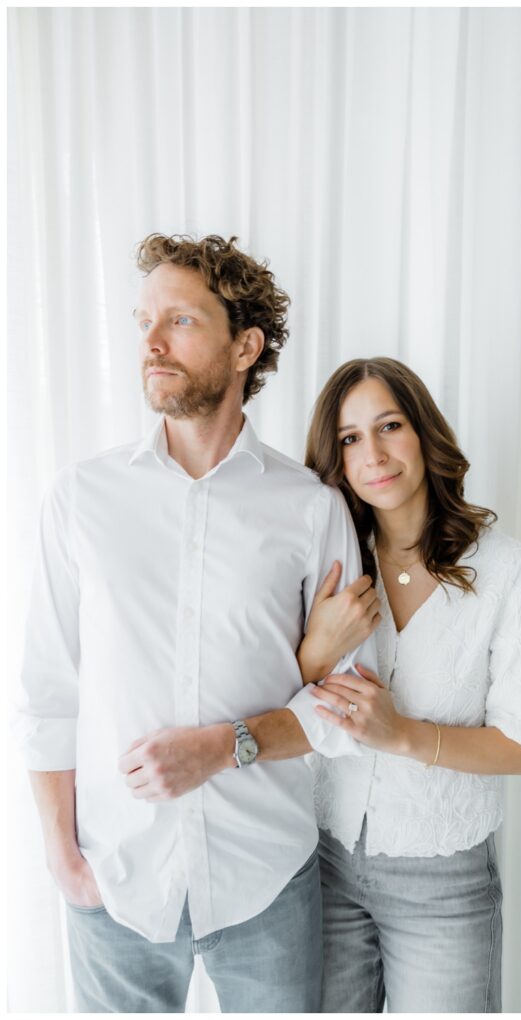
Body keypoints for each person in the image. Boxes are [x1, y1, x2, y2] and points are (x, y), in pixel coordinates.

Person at [14, 234, 377, 1012]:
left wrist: (223, 748)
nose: (150, 341)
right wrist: (61, 860)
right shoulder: (80, 500)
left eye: (179, 320)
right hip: (113, 883)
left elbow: (351, 703)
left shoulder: (310, 510)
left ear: (246, 345)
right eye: (144, 319)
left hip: (265, 879)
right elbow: (48, 692)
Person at [297, 356, 521, 1012]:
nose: (373, 453)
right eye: (349, 439)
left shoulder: (511, 574)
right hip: (321, 867)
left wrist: (402, 736)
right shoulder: (327, 570)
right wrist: (316, 651)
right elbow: (270, 693)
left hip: (444, 888)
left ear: (424, 433)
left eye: (390, 425)